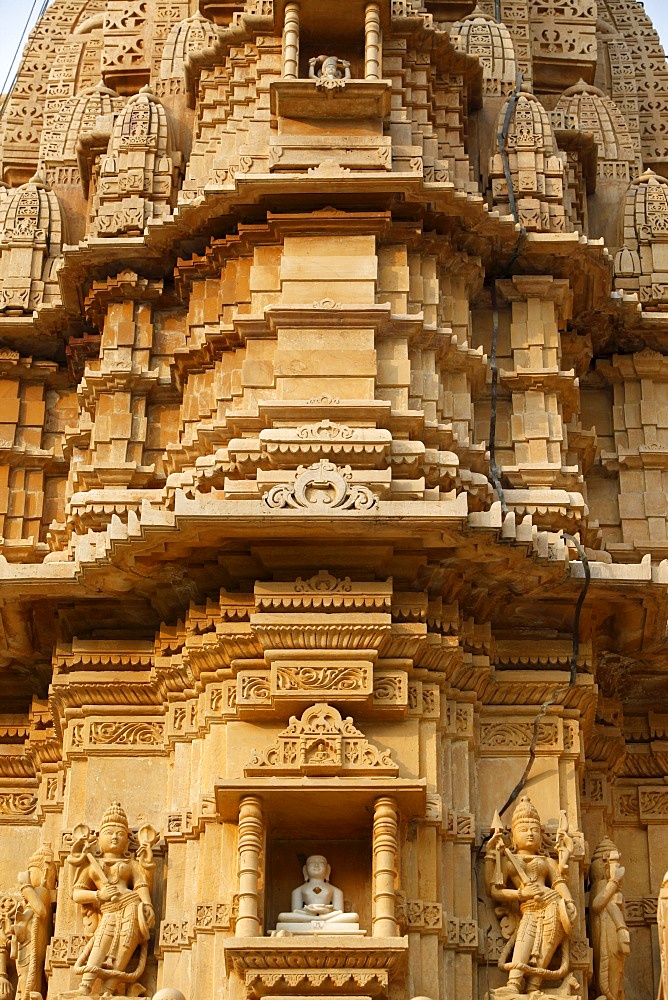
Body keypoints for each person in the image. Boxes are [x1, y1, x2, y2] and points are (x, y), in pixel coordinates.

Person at [485, 796, 577, 994]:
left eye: (535, 830)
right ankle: (514, 985)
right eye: (524, 830)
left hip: (553, 905)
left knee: (547, 944)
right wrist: (520, 893)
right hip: (528, 908)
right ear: (513, 835)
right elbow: (494, 890)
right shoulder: (509, 861)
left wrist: (569, 902)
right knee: (523, 943)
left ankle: (534, 986)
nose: (530, 834)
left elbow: (558, 883)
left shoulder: (547, 861)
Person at [68, 802, 157, 997]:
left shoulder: (130, 864)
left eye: (120, 833)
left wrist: (148, 904)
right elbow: (76, 894)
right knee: (101, 942)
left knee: (125, 945)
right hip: (108, 909)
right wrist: (98, 895)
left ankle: (109, 990)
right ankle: (85, 987)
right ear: (99, 839)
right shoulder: (92, 866)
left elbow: (141, 884)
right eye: (109, 833)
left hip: (132, 906)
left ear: (127, 840)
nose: (115, 837)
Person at [11, 845, 57, 1000]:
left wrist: (25, 886)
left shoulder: (40, 892)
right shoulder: (32, 896)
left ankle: (27, 995)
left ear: (44, 872)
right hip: (27, 942)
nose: (28, 875)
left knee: (29, 972)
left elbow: (41, 910)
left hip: (33, 944)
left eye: (32, 872)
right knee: (24, 974)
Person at [275, 855, 361, 933]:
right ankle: (320, 922)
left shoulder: (335, 890)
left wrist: (326, 911)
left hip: (327, 916)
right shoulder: (298, 890)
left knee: (354, 916)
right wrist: (308, 911)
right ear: (305, 869)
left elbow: (339, 912)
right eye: (312, 863)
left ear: (328, 869)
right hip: (307, 916)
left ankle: (319, 921)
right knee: (282, 916)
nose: (316, 866)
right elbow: (295, 912)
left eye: (321, 863)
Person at [589, 839, 630, 1000]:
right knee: (611, 967)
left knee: (618, 969)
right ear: (605, 866)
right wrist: (613, 881)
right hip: (607, 935)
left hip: (615, 934)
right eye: (615, 864)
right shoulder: (601, 884)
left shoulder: (612, 888)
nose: (619, 868)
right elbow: (597, 904)